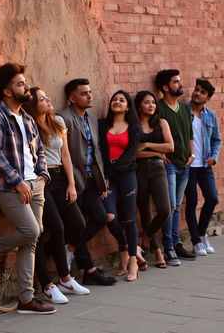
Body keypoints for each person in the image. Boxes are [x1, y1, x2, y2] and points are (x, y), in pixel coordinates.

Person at [0, 63, 55, 314]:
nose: (26, 86)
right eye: (20, 83)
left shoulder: (28, 118)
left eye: (25, 81)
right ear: (7, 91)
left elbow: (40, 150)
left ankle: (25, 299)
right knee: (31, 231)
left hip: (36, 184)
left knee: (32, 238)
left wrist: (42, 175)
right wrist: (18, 181)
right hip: (8, 186)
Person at [23, 87, 90, 304]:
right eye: (42, 99)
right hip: (42, 179)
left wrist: (71, 183)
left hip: (60, 176)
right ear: (33, 105)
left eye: (46, 96)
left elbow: (66, 155)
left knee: (78, 224)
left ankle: (60, 275)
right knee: (54, 229)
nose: (48, 99)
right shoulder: (30, 126)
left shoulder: (58, 122)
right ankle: (58, 280)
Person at [58, 79, 117, 286]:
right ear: (73, 98)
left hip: (92, 182)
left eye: (90, 92)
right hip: (72, 182)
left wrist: (102, 181)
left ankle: (69, 248)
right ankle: (89, 270)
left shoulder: (92, 118)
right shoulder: (62, 118)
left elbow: (97, 150)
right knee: (77, 225)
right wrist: (70, 182)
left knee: (102, 218)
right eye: (84, 93)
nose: (90, 96)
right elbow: (62, 153)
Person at [99, 90, 142, 281]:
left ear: (127, 106)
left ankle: (132, 260)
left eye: (122, 100)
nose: (117, 102)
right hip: (108, 177)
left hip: (127, 176)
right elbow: (100, 152)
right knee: (110, 217)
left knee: (128, 219)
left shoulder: (134, 128)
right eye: (114, 99)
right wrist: (105, 175)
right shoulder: (102, 125)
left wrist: (112, 172)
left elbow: (130, 156)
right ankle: (128, 248)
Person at [155, 69, 196, 266]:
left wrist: (192, 154)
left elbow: (189, 134)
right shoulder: (160, 109)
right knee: (170, 206)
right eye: (176, 82)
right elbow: (153, 134)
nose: (180, 85)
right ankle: (169, 247)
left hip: (184, 163)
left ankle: (177, 244)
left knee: (177, 205)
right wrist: (161, 155)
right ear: (165, 87)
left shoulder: (185, 108)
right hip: (169, 166)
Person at [134, 91, 173, 268]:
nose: (151, 106)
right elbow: (133, 152)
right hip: (139, 170)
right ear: (139, 106)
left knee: (165, 209)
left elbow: (170, 147)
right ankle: (158, 252)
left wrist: (148, 145)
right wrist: (157, 152)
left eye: (153, 103)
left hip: (158, 170)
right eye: (146, 103)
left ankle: (147, 237)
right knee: (145, 211)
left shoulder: (161, 123)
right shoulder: (133, 125)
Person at [185, 79, 221, 255]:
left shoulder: (210, 115)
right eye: (196, 89)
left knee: (212, 198)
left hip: (205, 165)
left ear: (207, 98)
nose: (197, 93)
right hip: (189, 165)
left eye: (202, 92)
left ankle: (201, 233)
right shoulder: (183, 111)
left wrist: (214, 157)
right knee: (191, 201)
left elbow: (216, 140)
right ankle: (195, 241)